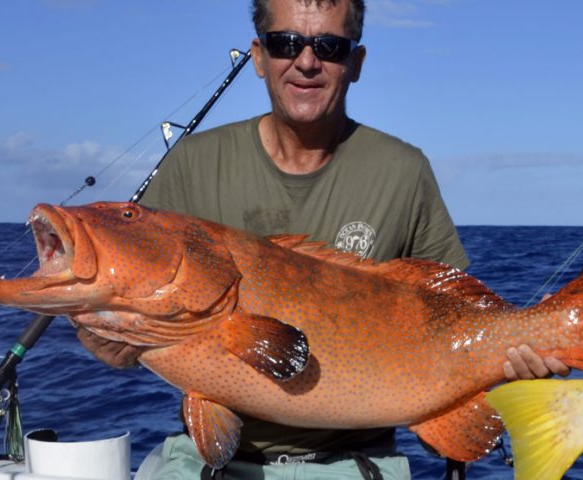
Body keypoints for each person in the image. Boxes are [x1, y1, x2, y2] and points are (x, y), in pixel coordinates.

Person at [72, 0, 495, 478]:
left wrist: (519, 347)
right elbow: (143, 314)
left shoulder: (404, 170)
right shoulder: (192, 164)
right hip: (206, 457)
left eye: (330, 47)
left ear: (355, 64)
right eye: (285, 43)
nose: (307, 61)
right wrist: (106, 340)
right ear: (258, 56)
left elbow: (458, 308)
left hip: (355, 463)